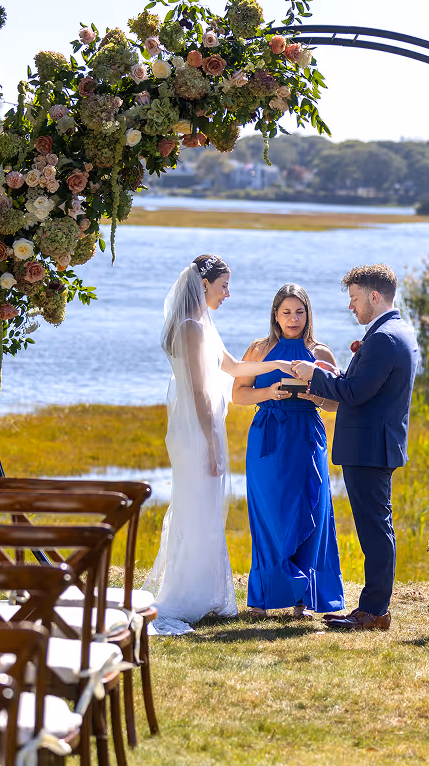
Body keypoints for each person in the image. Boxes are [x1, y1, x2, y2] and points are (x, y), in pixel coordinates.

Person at [143, 255, 295, 635]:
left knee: (206, 508)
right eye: (223, 285)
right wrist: (210, 444)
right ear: (204, 284)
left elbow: (232, 367)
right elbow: (197, 391)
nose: (227, 293)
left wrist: (277, 367)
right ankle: (185, 597)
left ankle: (206, 592)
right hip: (197, 431)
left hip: (207, 426)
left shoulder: (204, 325)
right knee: (196, 507)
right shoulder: (191, 328)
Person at [291, 264, 419, 632]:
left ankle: (374, 611)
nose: (352, 306)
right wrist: (328, 378)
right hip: (377, 445)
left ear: (374, 297)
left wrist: (313, 375)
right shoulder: (398, 331)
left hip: (370, 448)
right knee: (377, 528)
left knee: (375, 531)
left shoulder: (383, 339)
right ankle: (374, 607)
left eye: (355, 298)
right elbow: (358, 385)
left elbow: (353, 393)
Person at [232, 284, 345, 621]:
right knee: (269, 514)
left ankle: (304, 600)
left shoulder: (321, 353)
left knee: (311, 508)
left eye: (299, 311)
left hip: (307, 437)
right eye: (286, 312)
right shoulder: (259, 349)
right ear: (275, 315)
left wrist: (314, 397)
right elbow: (239, 394)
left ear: (308, 314)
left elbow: (338, 402)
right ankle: (263, 598)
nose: (293, 318)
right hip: (268, 438)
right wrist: (269, 391)